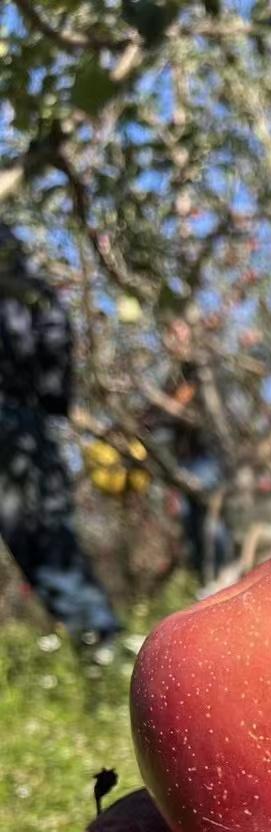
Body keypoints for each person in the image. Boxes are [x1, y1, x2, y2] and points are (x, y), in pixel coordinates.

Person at [0, 225, 119, 642]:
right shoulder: (16, 268)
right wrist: (53, 396)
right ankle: (95, 637)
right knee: (38, 533)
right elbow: (52, 324)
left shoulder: (11, 268)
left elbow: (49, 321)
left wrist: (49, 396)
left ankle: (97, 636)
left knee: (39, 533)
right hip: (18, 412)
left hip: (13, 412)